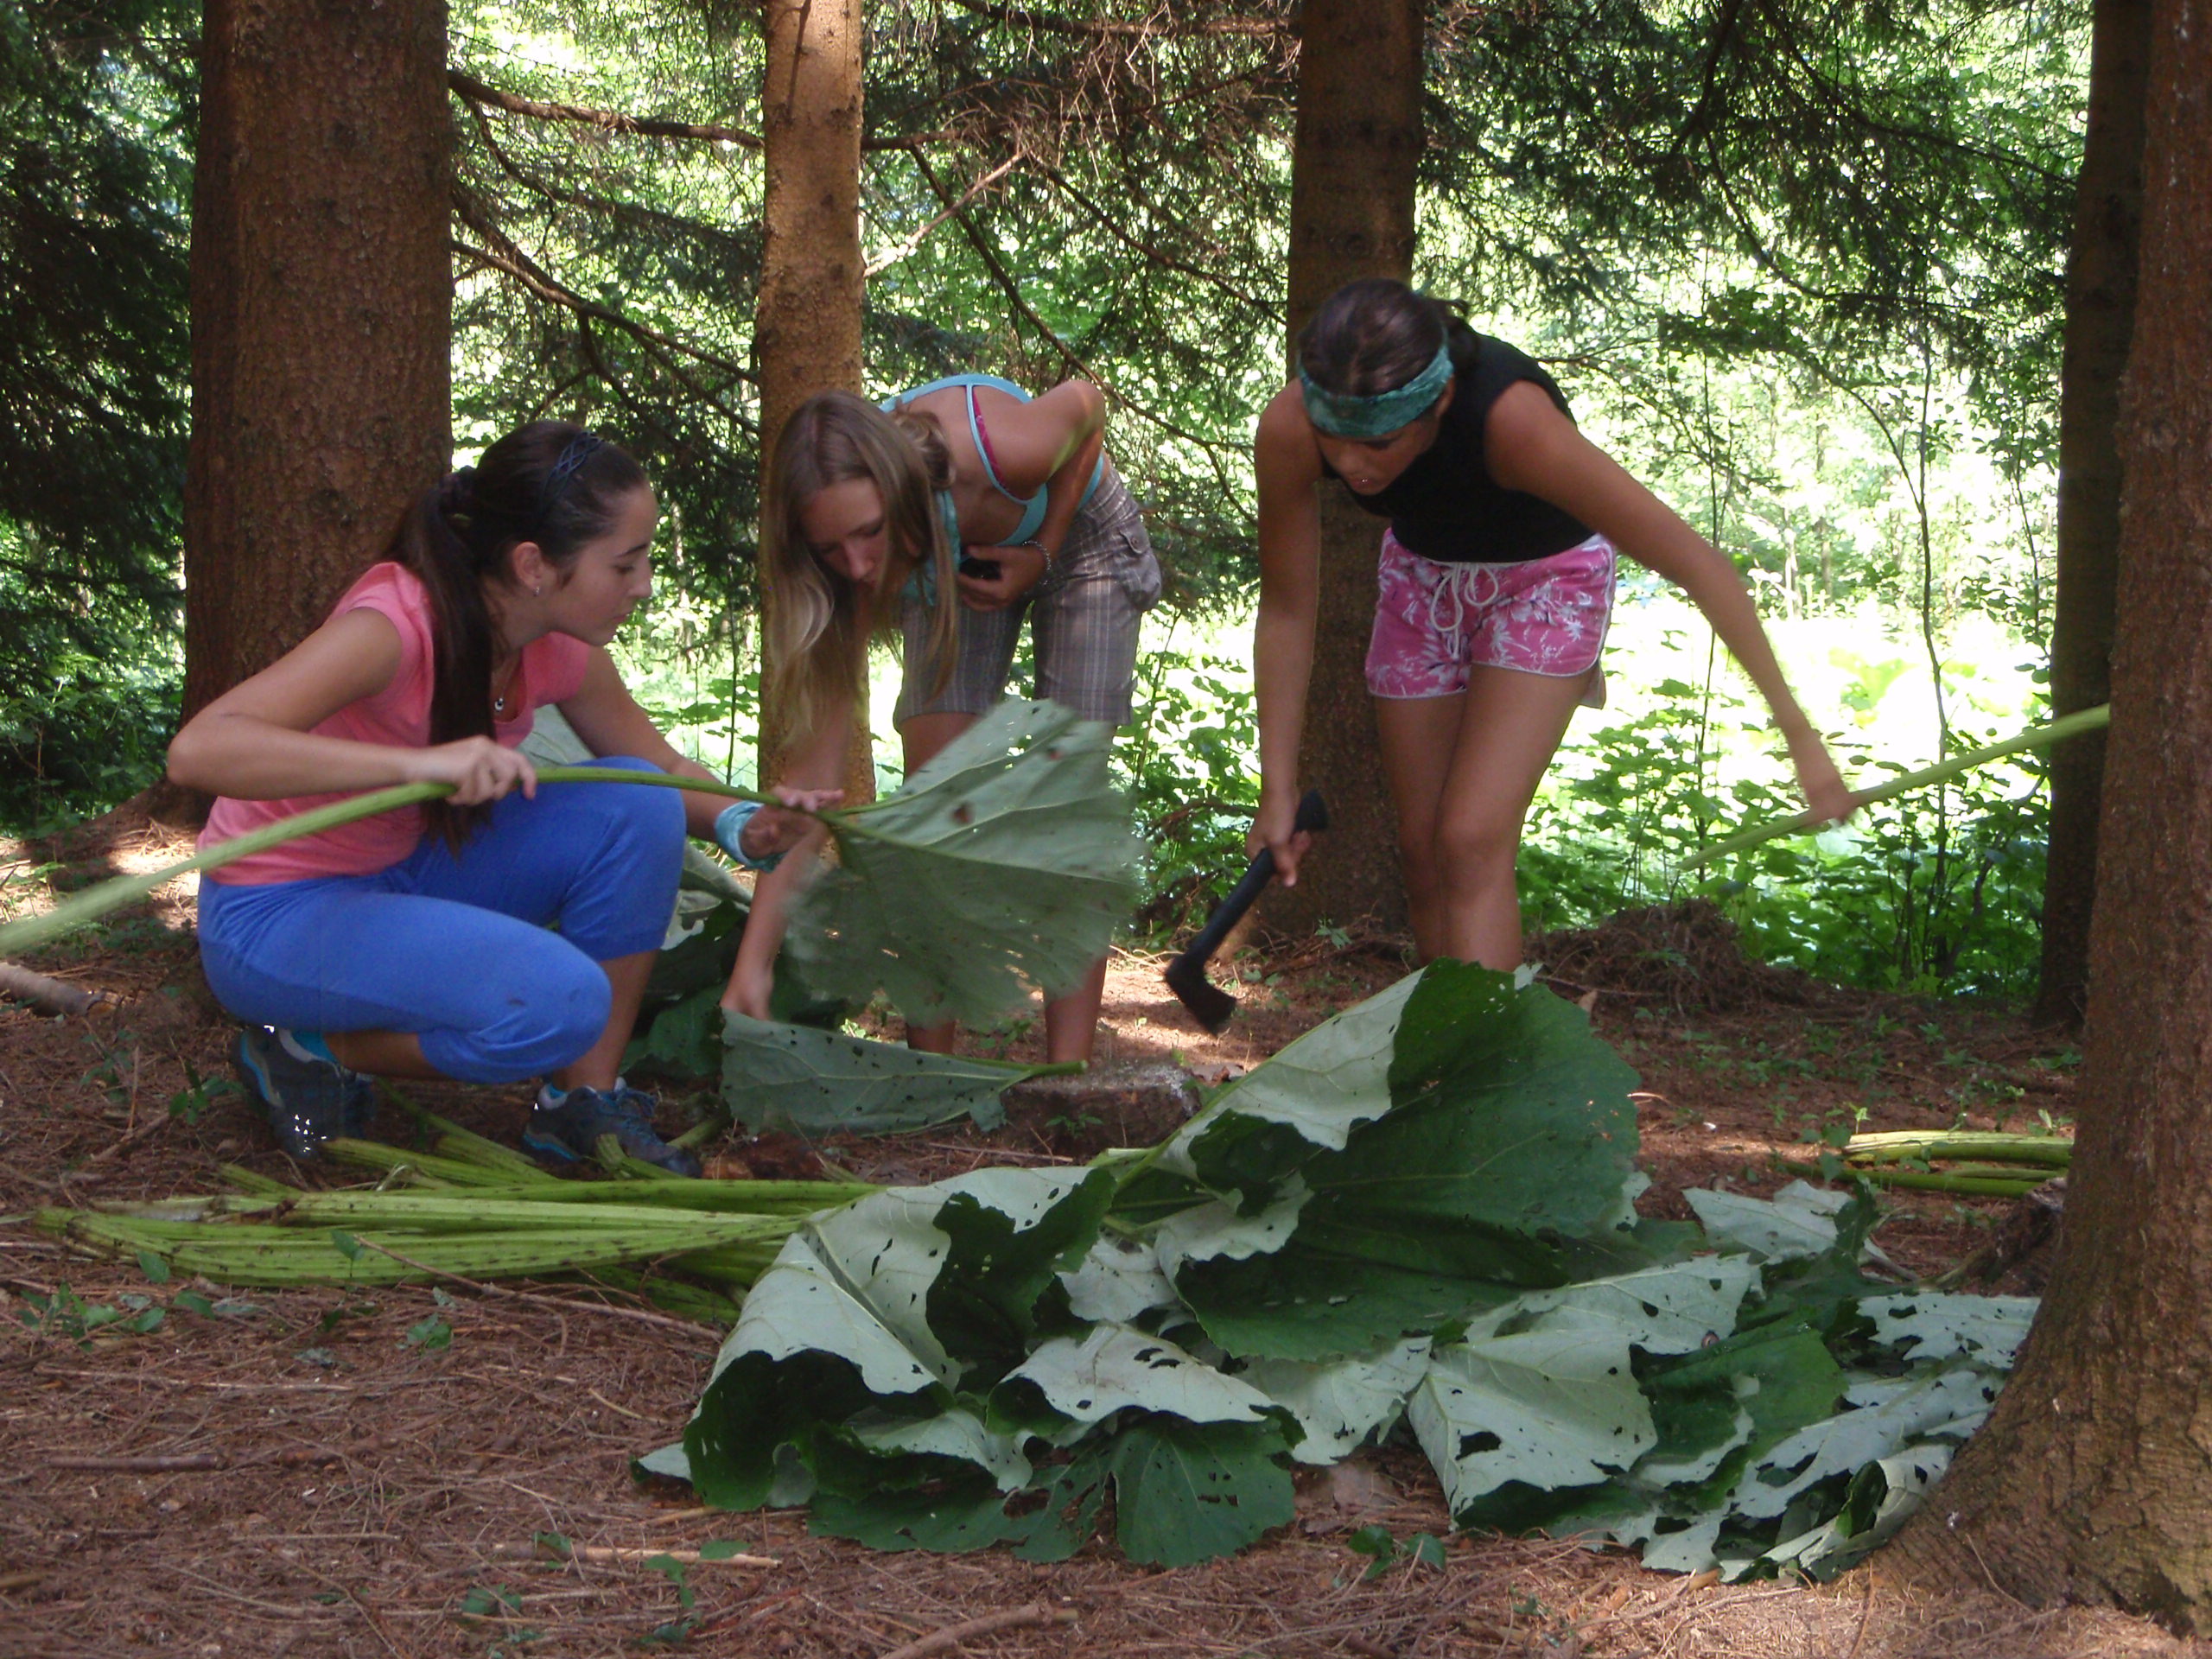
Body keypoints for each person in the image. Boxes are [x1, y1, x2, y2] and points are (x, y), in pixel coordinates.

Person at [166, 422, 830, 1173]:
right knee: (559, 1006)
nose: (644, 584)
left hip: (407, 869)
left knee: (642, 801)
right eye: (625, 563)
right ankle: (306, 1048)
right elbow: (201, 750)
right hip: (275, 913)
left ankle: (580, 1104)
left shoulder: (554, 641)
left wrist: (744, 823)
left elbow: (662, 766)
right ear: (534, 565)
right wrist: (417, 766)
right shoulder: (395, 626)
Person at [1250, 278, 1853, 968]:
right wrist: (1278, 788)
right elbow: (1288, 611)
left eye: (1379, 443)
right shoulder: (1293, 426)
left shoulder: (1515, 424)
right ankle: (1443, 1032)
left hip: (1547, 579)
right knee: (1422, 851)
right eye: (1335, 439)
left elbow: (1700, 565)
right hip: (1422, 576)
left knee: (1469, 840)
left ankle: (1488, 1040)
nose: (1352, 464)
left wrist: (1801, 740)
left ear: (1438, 402)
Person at [725, 379, 1160, 1062]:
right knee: (930, 818)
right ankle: (929, 1075)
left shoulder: (1003, 452)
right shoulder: (850, 569)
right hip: (948, 561)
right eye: (832, 548)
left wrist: (1043, 549)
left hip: (1080, 542)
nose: (857, 566)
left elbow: (1089, 402)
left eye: (867, 532)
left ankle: (1066, 1079)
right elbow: (810, 790)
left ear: (898, 491)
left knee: (1064, 805)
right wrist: (751, 967)